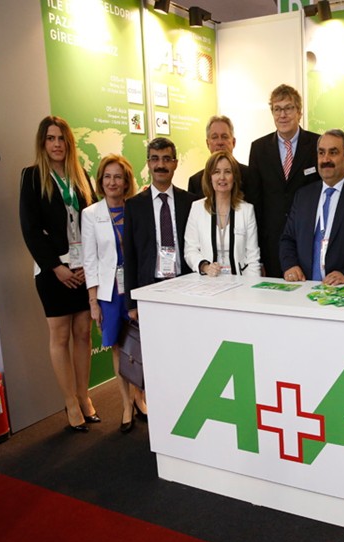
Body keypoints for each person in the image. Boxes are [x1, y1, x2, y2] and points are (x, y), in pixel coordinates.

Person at [19, 115, 98, 432]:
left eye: (61, 138)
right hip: (53, 270)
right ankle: (70, 403)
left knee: (83, 333)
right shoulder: (32, 177)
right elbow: (30, 230)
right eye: (50, 138)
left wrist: (87, 264)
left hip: (83, 268)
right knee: (61, 336)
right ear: (43, 142)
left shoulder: (81, 176)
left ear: (69, 142)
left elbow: (93, 221)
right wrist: (57, 267)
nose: (56, 144)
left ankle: (84, 396)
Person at [82, 155, 139, 433]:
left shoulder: (135, 209)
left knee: (138, 345)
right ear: (100, 181)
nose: (112, 182)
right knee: (117, 347)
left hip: (135, 287)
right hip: (109, 293)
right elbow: (90, 260)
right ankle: (126, 404)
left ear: (126, 181)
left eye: (118, 176)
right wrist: (93, 302)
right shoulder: (90, 214)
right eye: (107, 176)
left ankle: (140, 398)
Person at [279, 129, 344, 285]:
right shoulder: (303, 195)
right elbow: (288, 239)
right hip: (305, 288)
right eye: (321, 153)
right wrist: (290, 265)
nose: (325, 159)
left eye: (333, 153)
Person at [249, 84, 320, 277]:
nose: (283, 115)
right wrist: (257, 254)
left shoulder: (317, 145)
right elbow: (255, 201)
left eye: (288, 108)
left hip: (309, 240)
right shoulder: (259, 149)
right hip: (272, 243)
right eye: (277, 109)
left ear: (299, 112)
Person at [123, 137, 197, 319]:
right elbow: (130, 256)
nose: (161, 165)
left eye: (166, 159)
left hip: (186, 284)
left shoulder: (191, 202)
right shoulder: (134, 206)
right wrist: (131, 303)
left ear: (175, 163)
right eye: (155, 159)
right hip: (149, 287)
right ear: (148, 163)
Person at [185, 150, 261, 277]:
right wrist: (205, 267)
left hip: (240, 282)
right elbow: (190, 250)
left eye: (227, 172)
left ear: (234, 177)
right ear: (209, 177)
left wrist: (250, 286)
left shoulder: (247, 210)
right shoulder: (197, 208)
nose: (222, 177)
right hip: (207, 282)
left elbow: (253, 257)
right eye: (216, 172)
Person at [188, 115, 249, 200]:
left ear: (233, 142)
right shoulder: (195, 182)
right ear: (207, 143)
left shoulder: (249, 176)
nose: (220, 142)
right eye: (214, 137)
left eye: (224, 137)